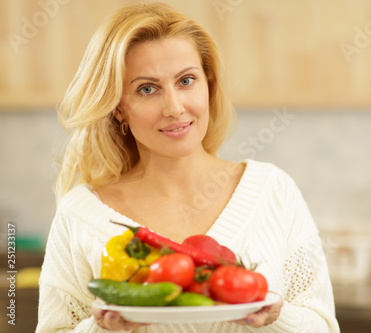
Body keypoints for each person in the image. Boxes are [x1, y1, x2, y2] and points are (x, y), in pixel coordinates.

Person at [36, 2, 340, 332]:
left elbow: (322, 325)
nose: (174, 107)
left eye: (186, 81)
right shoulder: (80, 216)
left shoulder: (273, 192)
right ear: (118, 109)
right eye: (147, 89)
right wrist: (104, 329)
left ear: (208, 85)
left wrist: (276, 317)